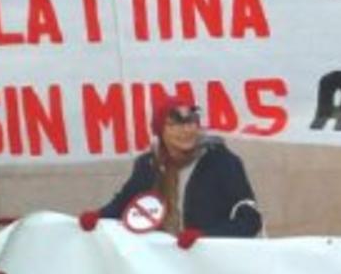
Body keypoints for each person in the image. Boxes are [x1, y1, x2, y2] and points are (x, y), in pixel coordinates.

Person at [81, 96, 263, 245]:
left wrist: (203, 237)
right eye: (174, 124)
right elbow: (125, 202)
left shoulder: (222, 162)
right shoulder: (149, 165)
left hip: (209, 263)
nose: (185, 130)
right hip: (166, 265)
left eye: (191, 122)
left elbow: (250, 221)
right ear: (161, 131)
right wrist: (97, 217)